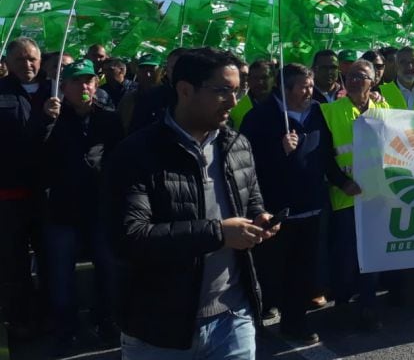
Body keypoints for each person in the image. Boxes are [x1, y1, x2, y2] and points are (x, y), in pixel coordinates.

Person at [104, 47, 277, 358]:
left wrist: (260, 220)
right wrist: (219, 233)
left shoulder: (238, 145)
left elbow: (252, 203)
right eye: (222, 90)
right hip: (159, 328)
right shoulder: (137, 153)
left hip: (233, 317)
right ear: (185, 90)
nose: (233, 101)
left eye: (237, 90)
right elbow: (129, 237)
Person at [240, 64, 334, 343]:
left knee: (303, 269)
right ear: (285, 87)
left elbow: (326, 152)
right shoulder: (260, 117)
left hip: (312, 204)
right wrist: (277, 151)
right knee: (271, 269)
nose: (310, 90)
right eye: (303, 86)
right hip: (276, 209)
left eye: (311, 84)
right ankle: (255, 322)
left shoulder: (316, 111)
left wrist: (341, 181)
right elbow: (244, 163)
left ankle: (295, 321)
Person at [42, 59, 124, 354]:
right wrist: (45, 122)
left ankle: (106, 321)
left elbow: (119, 162)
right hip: (62, 211)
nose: (84, 86)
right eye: (77, 81)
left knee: (109, 271)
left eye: (89, 80)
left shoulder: (109, 119)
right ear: (63, 88)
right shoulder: (52, 117)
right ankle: (66, 330)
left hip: (100, 210)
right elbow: (34, 155)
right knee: (61, 277)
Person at [0, 38, 61, 342]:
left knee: (51, 259)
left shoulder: (57, 90)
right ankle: (20, 317)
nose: (28, 65)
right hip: (10, 194)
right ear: (8, 62)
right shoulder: (1, 93)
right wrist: (41, 119)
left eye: (33, 58)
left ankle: (51, 316)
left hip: (48, 194)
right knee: (14, 262)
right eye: (21, 59)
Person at [320, 60, 388, 331]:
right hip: (345, 197)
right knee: (345, 256)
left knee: (371, 256)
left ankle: (369, 307)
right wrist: (341, 182)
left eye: (362, 76)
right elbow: (324, 156)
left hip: (375, 198)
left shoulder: (384, 110)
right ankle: (342, 305)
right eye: (349, 76)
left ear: (373, 82)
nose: (355, 80)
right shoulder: (328, 111)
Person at [127, 47, 187, 134]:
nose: (178, 72)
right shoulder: (149, 97)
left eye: (183, 67)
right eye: (173, 68)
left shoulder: (201, 96)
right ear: (167, 69)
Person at [118, 53, 164, 133]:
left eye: (152, 70)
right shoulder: (129, 98)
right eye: (143, 70)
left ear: (162, 72)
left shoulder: (169, 98)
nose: (148, 75)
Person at [231, 59, 273, 129]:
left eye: (265, 77)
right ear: (248, 80)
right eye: (255, 78)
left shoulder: (284, 106)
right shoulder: (235, 108)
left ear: (273, 79)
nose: (260, 82)